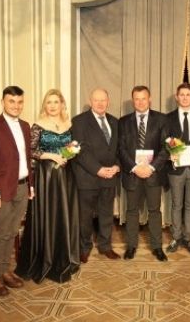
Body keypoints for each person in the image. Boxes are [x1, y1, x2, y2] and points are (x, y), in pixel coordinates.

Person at [15, 89, 80, 283]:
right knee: (49, 214)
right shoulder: (38, 125)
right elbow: (31, 151)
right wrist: (52, 156)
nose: (52, 106)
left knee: (64, 215)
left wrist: (69, 154)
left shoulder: (69, 124)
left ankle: (64, 256)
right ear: (45, 105)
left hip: (66, 177)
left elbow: (72, 147)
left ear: (62, 105)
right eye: (49, 102)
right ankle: (46, 259)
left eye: (56, 102)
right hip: (46, 177)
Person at [0, 86, 34, 296]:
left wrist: (30, 185)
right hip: (0, 191)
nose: (16, 106)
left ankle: (5, 271)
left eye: (20, 102)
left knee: (12, 232)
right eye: (11, 101)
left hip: (22, 188)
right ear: (3, 102)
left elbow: (26, 159)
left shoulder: (26, 126)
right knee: (1, 233)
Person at [118, 86, 169, 261]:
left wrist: (151, 168)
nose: (140, 102)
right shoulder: (123, 121)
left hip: (153, 174)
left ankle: (157, 247)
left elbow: (165, 148)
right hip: (132, 174)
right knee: (132, 211)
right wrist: (135, 167)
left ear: (150, 99)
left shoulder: (161, 119)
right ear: (133, 100)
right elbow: (121, 149)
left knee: (154, 211)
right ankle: (131, 246)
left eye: (143, 98)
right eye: (137, 99)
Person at [71, 88, 120, 263]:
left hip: (110, 177)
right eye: (96, 100)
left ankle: (105, 246)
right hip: (88, 177)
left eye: (103, 100)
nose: (100, 103)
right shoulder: (79, 121)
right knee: (85, 217)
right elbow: (80, 150)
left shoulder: (115, 121)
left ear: (108, 102)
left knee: (106, 215)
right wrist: (98, 169)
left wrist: (117, 166)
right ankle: (84, 248)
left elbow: (119, 148)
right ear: (90, 101)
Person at [165, 83, 190, 254]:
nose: (185, 97)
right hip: (176, 169)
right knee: (176, 204)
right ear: (177, 97)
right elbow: (164, 140)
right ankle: (176, 237)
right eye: (182, 94)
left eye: (188, 94)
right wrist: (169, 155)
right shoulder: (168, 118)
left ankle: (187, 238)